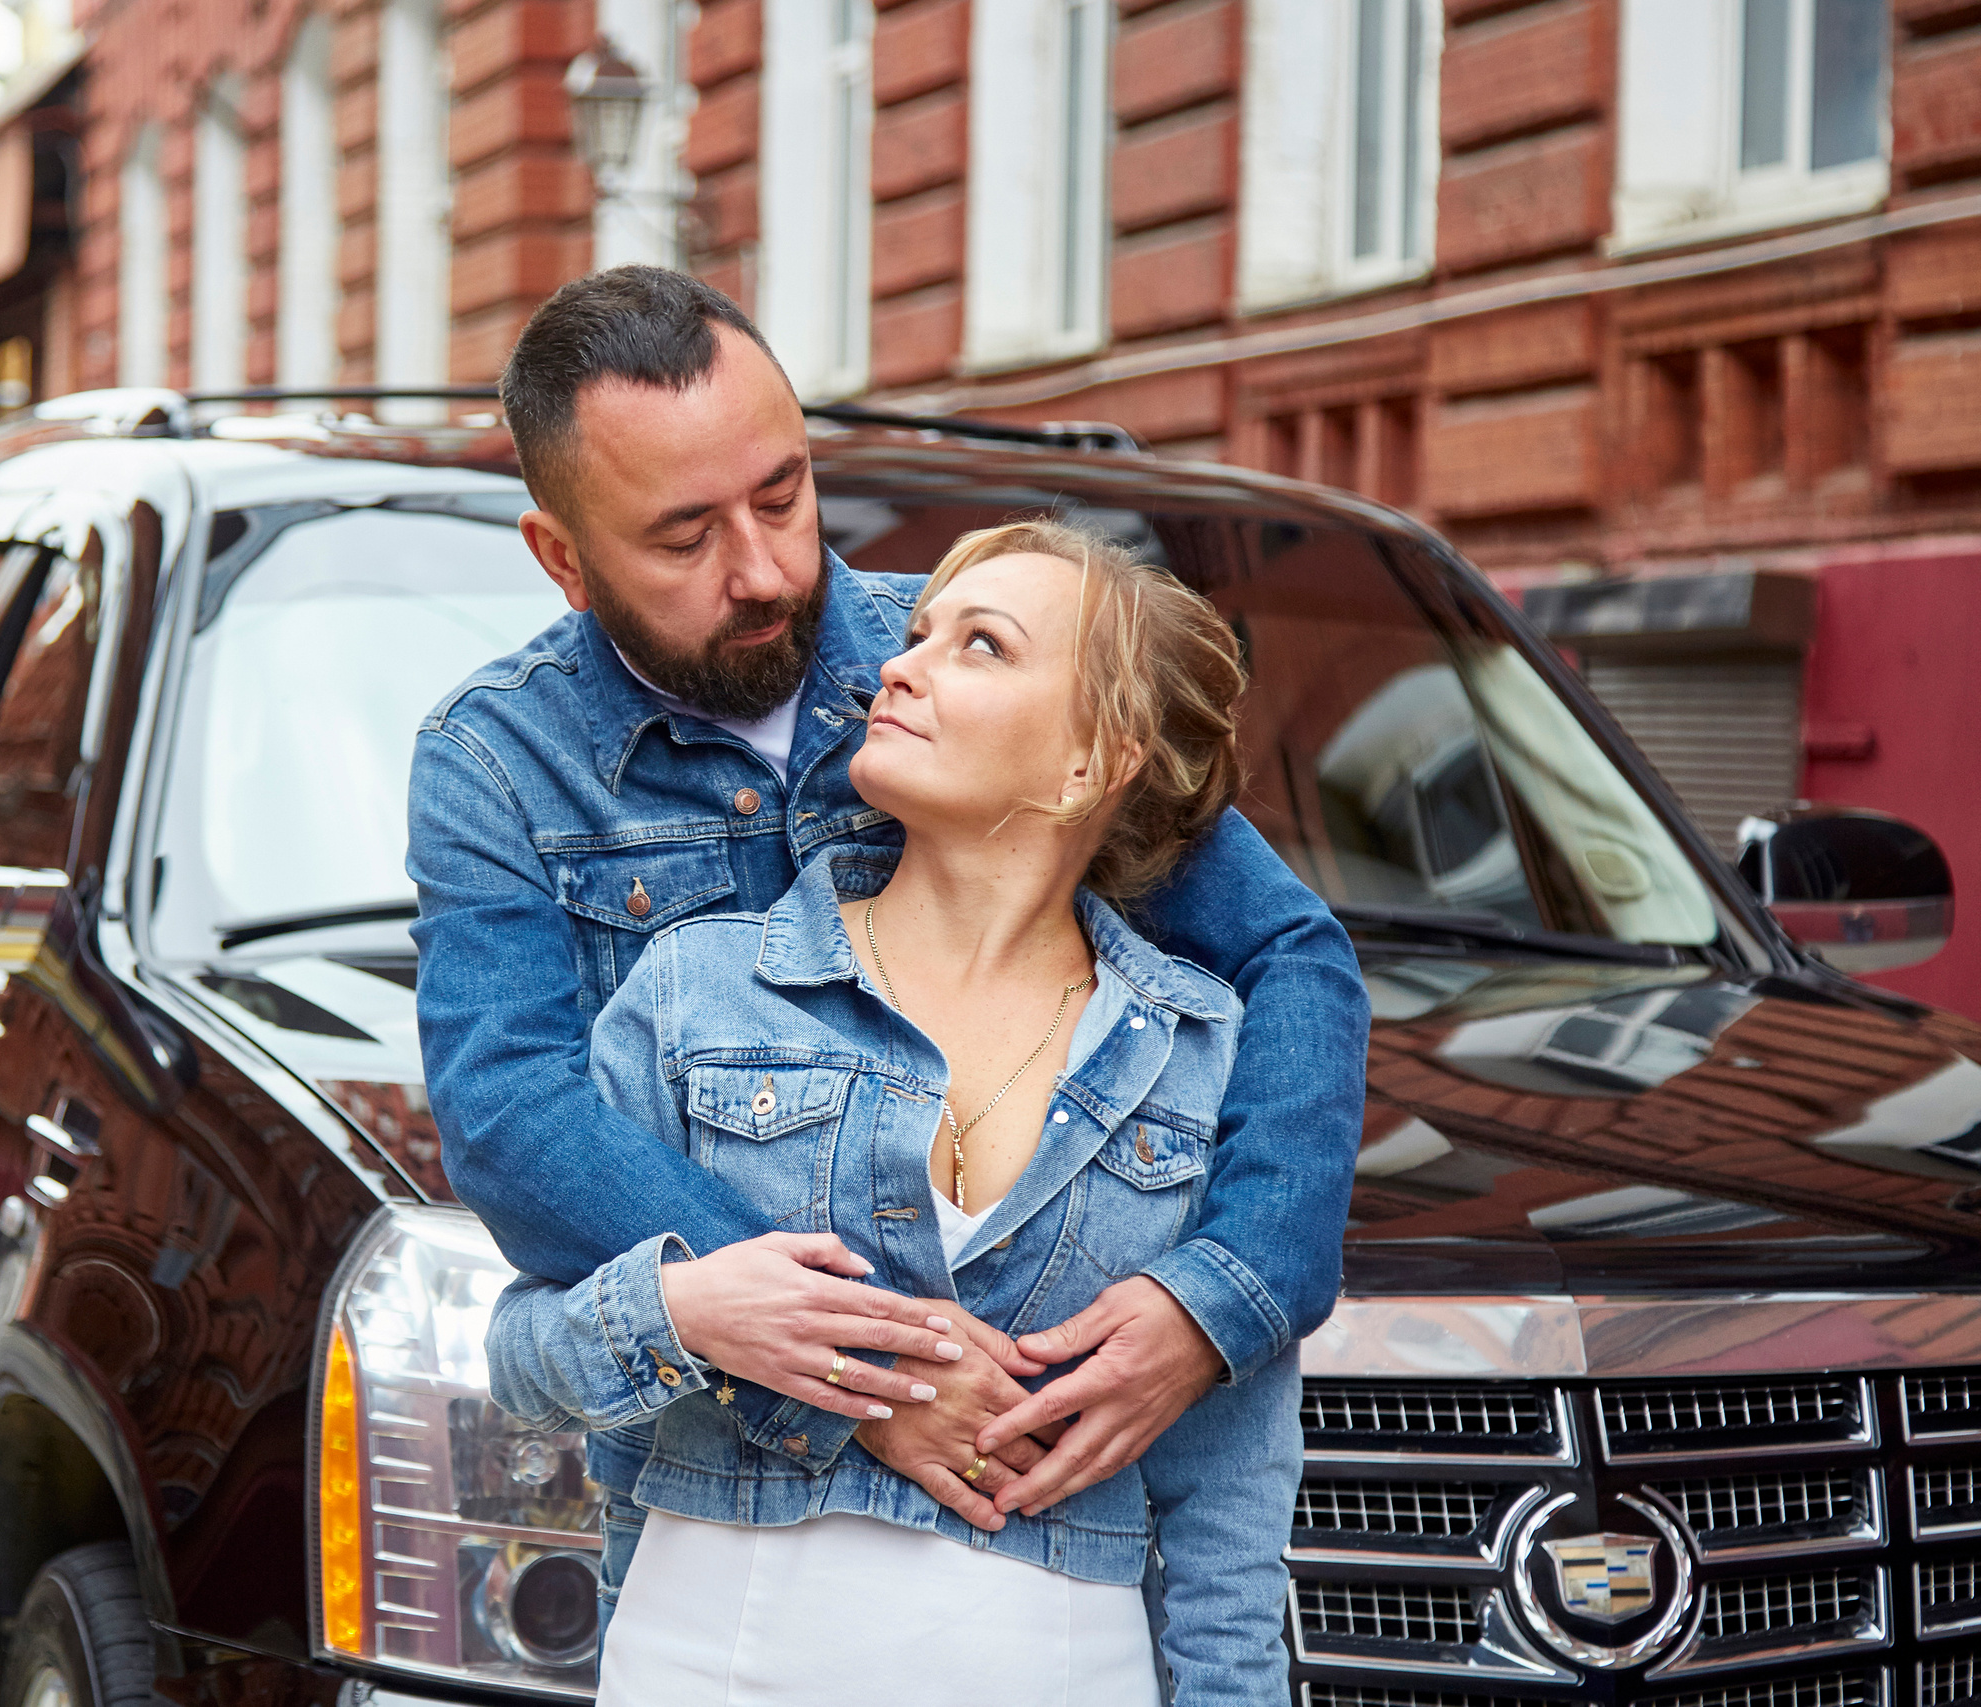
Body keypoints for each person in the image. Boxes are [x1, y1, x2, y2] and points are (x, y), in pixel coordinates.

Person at [408, 266, 1369, 1620]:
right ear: (563, 559)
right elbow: (511, 1117)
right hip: (719, 1538)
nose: (766, 569)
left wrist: (1223, 1291)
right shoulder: (496, 762)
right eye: (683, 538)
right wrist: (873, 1372)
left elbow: (1295, 958)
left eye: (785, 493)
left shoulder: (981, 663)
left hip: (1056, 1579)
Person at [486, 518, 1306, 1704]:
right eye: (915, 636)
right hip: (712, 1664)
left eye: (980, 645)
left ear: (1090, 762)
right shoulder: (697, 990)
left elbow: (1227, 1508)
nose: (898, 667)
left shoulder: (1198, 1055)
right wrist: (687, 1310)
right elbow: (520, 1357)